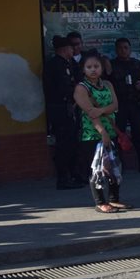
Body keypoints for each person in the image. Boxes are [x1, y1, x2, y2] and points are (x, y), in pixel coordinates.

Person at [74, 54, 127, 213]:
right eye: (89, 67)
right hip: (92, 134)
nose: (93, 70)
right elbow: (91, 113)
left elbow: (115, 105)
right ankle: (100, 202)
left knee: (114, 166)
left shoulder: (107, 84)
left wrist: (102, 110)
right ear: (83, 69)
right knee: (97, 169)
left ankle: (114, 199)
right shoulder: (81, 88)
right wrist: (102, 131)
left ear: (102, 68)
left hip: (110, 130)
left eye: (96, 66)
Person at [108, 37, 140, 173]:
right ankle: (118, 165)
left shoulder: (137, 64)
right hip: (119, 105)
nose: (123, 50)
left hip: (135, 104)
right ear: (116, 50)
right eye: (120, 48)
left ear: (130, 49)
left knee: (139, 134)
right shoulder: (112, 65)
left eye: (125, 48)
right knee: (118, 135)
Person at [43, 35, 83, 189]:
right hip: (61, 109)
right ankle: (63, 178)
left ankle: (74, 174)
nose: (73, 51)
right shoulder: (54, 65)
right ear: (65, 49)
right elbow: (62, 88)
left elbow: (78, 79)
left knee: (73, 143)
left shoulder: (70, 63)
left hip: (71, 108)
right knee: (64, 144)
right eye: (71, 48)